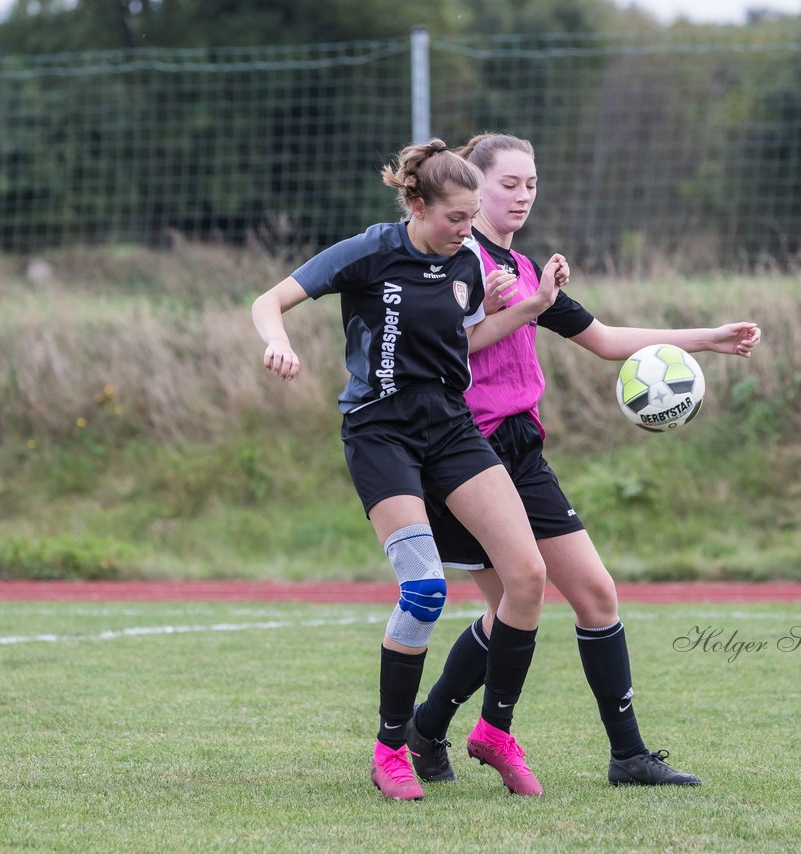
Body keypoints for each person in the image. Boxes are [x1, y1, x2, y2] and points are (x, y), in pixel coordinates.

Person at [405, 132, 762, 788]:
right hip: (466, 454)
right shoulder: (459, 263)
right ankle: (431, 734)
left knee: (595, 593)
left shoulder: (525, 270)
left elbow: (603, 340)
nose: (521, 196)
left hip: (521, 449)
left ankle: (627, 756)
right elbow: (431, 347)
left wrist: (706, 339)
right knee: (516, 600)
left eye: (531, 185)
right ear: (473, 188)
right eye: (508, 184)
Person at [251, 138, 572, 800]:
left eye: (472, 217)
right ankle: (390, 749)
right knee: (424, 591)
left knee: (529, 576)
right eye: (456, 219)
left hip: (450, 430)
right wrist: (277, 343)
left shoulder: (466, 266)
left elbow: (461, 340)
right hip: (380, 433)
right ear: (419, 206)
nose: (467, 231)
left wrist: (527, 308)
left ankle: (494, 734)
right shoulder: (371, 250)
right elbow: (268, 302)